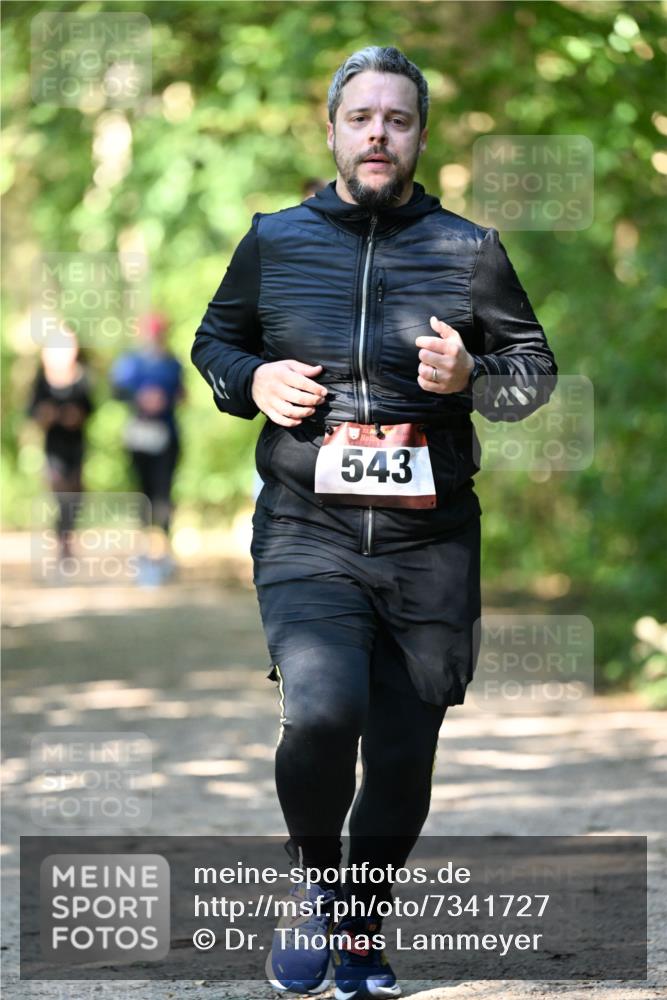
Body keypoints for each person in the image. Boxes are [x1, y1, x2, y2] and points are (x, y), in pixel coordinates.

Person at [191, 46, 557, 999]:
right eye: (361, 118)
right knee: (322, 712)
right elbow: (215, 341)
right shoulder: (274, 241)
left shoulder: (469, 249)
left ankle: (358, 929)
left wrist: (472, 375)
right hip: (306, 528)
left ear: (420, 135)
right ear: (332, 132)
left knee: (399, 755)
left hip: (430, 543)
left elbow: (533, 371)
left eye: (396, 119)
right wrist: (252, 379)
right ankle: (318, 886)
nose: (377, 134)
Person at [111, 312, 184, 585]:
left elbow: (181, 393)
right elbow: (117, 391)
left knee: (164, 494)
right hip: (139, 438)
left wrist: (167, 399)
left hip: (166, 436)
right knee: (142, 494)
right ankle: (143, 553)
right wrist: (141, 398)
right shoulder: (130, 362)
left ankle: (163, 553)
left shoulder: (172, 363)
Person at [27, 333, 94, 566]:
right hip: (53, 449)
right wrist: (49, 416)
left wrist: (75, 416)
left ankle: (68, 537)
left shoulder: (81, 378)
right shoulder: (42, 381)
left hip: (76, 447)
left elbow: (89, 409)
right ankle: (62, 542)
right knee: (59, 494)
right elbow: (33, 412)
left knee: (75, 496)